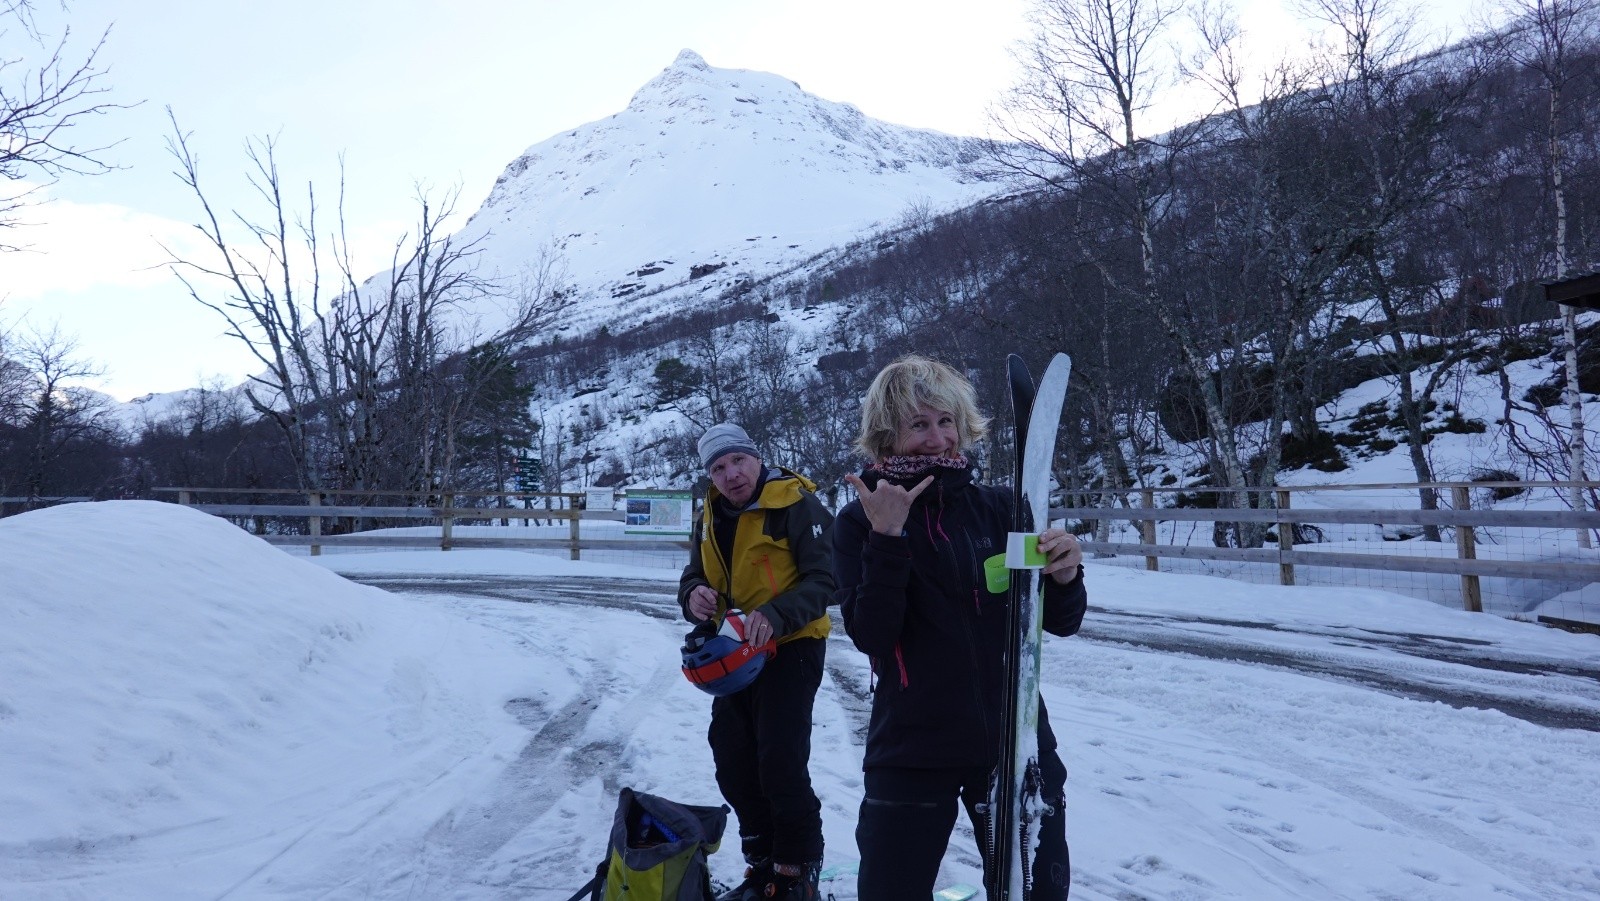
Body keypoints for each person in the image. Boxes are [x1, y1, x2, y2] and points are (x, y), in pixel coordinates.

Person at [833, 355, 1087, 900]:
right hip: (912, 743)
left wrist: (1065, 575)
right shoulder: (859, 522)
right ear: (886, 435)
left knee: (1036, 893)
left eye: (945, 421)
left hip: (1012, 738)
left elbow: (1058, 623)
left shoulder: (1002, 509)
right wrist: (888, 538)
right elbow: (872, 635)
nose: (937, 437)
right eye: (918, 424)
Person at [678, 422, 836, 901]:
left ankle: (796, 868)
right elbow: (694, 572)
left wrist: (776, 613)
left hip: (792, 645)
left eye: (737, 461)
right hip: (735, 652)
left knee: (781, 760)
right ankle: (764, 860)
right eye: (718, 467)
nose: (731, 474)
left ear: (756, 457)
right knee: (732, 759)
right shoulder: (710, 513)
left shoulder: (794, 503)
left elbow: (830, 577)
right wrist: (694, 596)